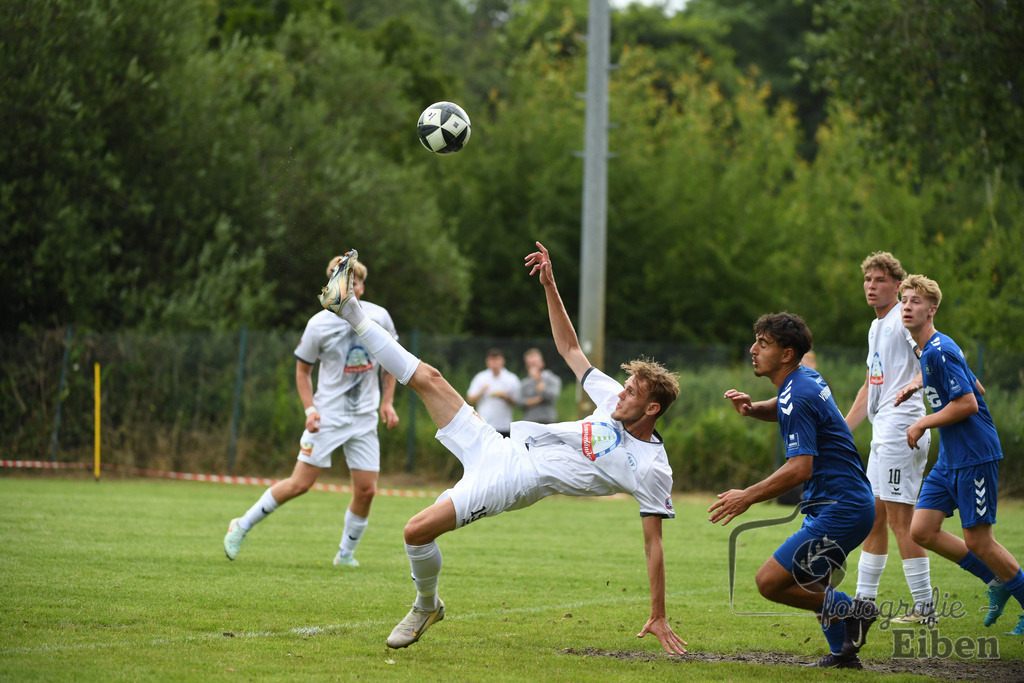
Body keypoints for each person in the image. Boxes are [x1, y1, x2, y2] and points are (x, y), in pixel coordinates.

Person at [318, 243, 687, 654]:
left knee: (415, 532)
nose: (620, 396)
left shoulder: (653, 467)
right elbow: (569, 350)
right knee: (429, 378)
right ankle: (349, 308)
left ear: (652, 408)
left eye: (631, 393)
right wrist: (550, 286)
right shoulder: (610, 396)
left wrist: (658, 613)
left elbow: (654, 543)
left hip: (512, 480)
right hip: (502, 446)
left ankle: (426, 606)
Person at [710, 312, 878, 670]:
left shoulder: (797, 393)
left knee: (769, 582)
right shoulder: (803, 380)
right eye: (756, 341)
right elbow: (787, 408)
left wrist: (747, 496)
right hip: (842, 502)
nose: (753, 349)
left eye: (763, 343)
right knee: (813, 580)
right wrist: (755, 409)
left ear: (786, 354)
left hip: (842, 506)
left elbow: (800, 468)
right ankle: (843, 657)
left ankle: (856, 610)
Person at [223, 255, 400, 567]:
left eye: (353, 280)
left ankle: (345, 556)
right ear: (332, 286)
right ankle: (241, 525)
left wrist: (387, 402)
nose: (348, 285)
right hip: (328, 415)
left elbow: (391, 362)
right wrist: (310, 409)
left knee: (367, 490)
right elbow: (302, 372)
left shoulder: (380, 317)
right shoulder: (318, 324)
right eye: (341, 279)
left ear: (361, 286)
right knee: (300, 484)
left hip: (364, 418)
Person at [896, 274, 1024, 636]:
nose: (907, 306)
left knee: (978, 541)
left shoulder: (939, 348)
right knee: (920, 529)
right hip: (950, 458)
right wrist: (920, 382)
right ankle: (995, 580)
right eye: (904, 300)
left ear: (932, 309)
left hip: (974, 455)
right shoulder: (928, 350)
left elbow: (968, 403)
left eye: (915, 301)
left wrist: (923, 423)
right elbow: (976, 384)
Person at [843, 252, 934, 623]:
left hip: (903, 431)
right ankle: (864, 603)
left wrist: (916, 384)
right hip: (884, 433)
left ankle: (926, 608)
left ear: (898, 285)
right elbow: (871, 384)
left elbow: (936, 357)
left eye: (879, 280)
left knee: (901, 521)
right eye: (868, 280)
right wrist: (842, 429)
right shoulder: (875, 326)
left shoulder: (902, 319)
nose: (871, 286)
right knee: (874, 518)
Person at [466, 349, 520, 437]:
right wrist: (481, 392)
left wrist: (506, 397)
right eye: (492, 360)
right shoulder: (480, 377)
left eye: (497, 360)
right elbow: (470, 399)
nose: (495, 363)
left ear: (503, 361)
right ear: (487, 362)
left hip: (504, 425)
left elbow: (518, 402)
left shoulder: (511, 378)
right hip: (485, 424)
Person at [517, 348, 562, 424]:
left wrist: (537, 380)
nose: (532, 367)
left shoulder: (553, 379)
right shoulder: (524, 382)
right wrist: (539, 399)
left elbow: (552, 396)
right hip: (529, 421)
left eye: (534, 364)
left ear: (542, 363)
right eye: (529, 364)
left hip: (548, 420)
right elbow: (519, 402)